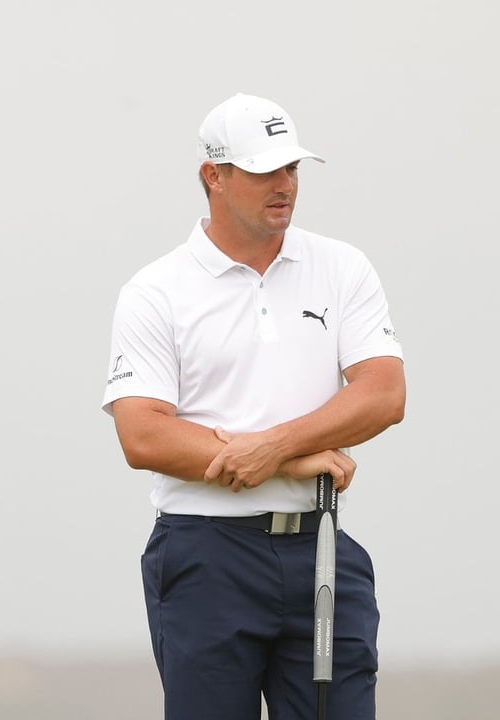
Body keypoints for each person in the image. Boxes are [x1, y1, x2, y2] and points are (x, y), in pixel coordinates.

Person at [102, 93, 405, 719]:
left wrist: (276, 445)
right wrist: (284, 460)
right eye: (266, 170)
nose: (285, 185)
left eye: (292, 169)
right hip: (206, 555)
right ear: (214, 175)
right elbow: (144, 436)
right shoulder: (155, 291)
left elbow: (384, 392)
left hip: (320, 544)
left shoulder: (341, 267)